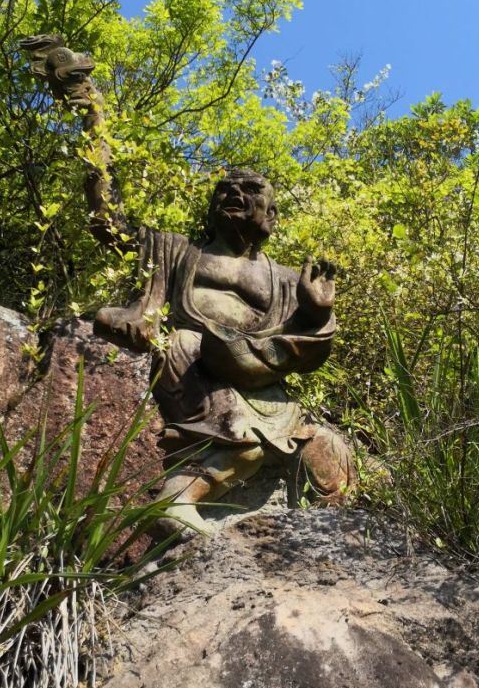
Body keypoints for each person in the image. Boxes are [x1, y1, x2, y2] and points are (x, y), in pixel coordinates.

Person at [21, 35, 358, 533]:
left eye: (250, 191)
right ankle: (174, 502)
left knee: (332, 453)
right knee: (241, 440)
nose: (235, 194)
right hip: (192, 356)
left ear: (272, 215)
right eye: (225, 189)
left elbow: (305, 350)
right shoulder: (174, 250)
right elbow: (107, 221)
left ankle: (319, 541)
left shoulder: (288, 280)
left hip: (261, 380)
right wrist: (91, 113)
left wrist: (316, 312)